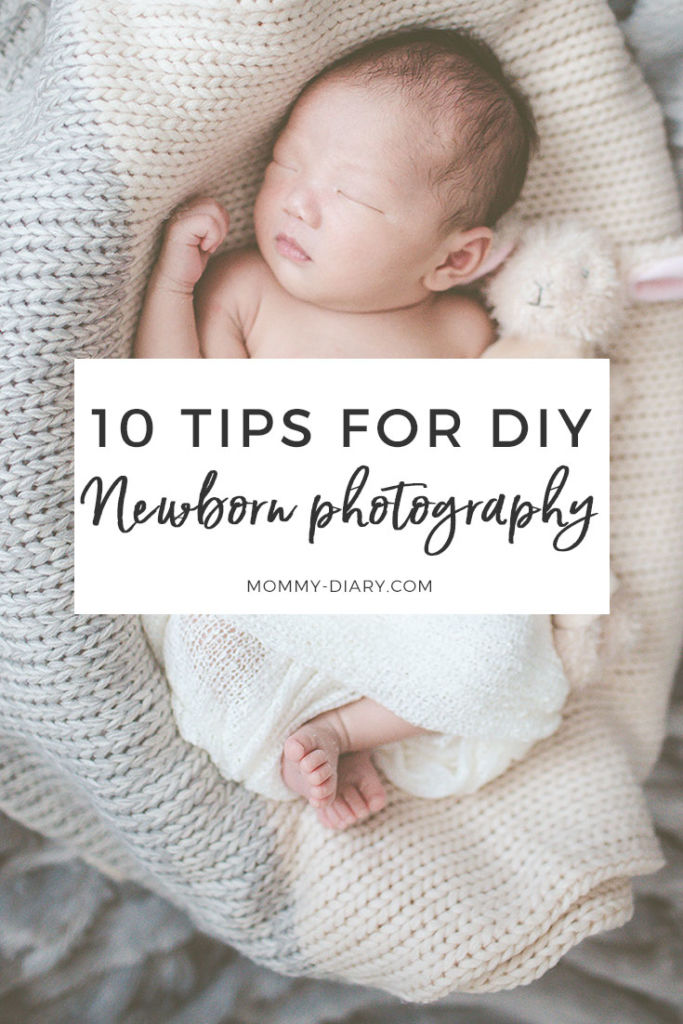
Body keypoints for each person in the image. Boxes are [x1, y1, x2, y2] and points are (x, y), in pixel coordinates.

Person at [135, 28, 543, 830]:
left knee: (501, 649)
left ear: (454, 260)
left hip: (394, 565)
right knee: (209, 620)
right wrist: (171, 289)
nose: (295, 197)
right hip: (269, 555)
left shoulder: (463, 335)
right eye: (287, 161)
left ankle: (346, 726)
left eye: (348, 194)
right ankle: (314, 722)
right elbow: (171, 420)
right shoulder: (244, 288)